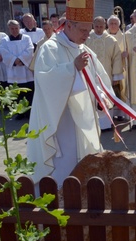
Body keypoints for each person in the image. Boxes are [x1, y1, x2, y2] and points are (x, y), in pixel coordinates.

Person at [27, 0, 112, 187]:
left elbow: (99, 81)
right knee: (63, 170)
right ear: (69, 25)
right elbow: (44, 81)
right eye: (83, 30)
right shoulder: (49, 48)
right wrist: (71, 68)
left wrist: (101, 99)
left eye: (88, 29)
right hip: (61, 122)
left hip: (84, 120)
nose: (87, 34)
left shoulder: (86, 50)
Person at [86, 16, 124, 130]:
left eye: (101, 26)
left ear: (105, 26)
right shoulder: (87, 38)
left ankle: (107, 124)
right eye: (96, 26)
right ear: (93, 25)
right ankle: (93, 124)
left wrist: (116, 75)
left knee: (106, 97)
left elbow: (117, 58)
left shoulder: (111, 40)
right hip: (90, 74)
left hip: (105, 75)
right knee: (91, 97)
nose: (98, 29)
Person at [0, 20, 34, 119]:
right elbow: (4, 52)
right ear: (9, 29)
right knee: (17, 94)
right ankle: (19, 113)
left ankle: (30, 112)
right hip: (14, 72)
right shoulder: (5, 40)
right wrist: (15, 60)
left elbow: (30, 49)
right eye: (12, 28)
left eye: (16, 28)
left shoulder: (26, 38)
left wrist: (21, 60)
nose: (14, 30)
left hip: (26, 71)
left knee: (29, 93)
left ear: (19, 28)